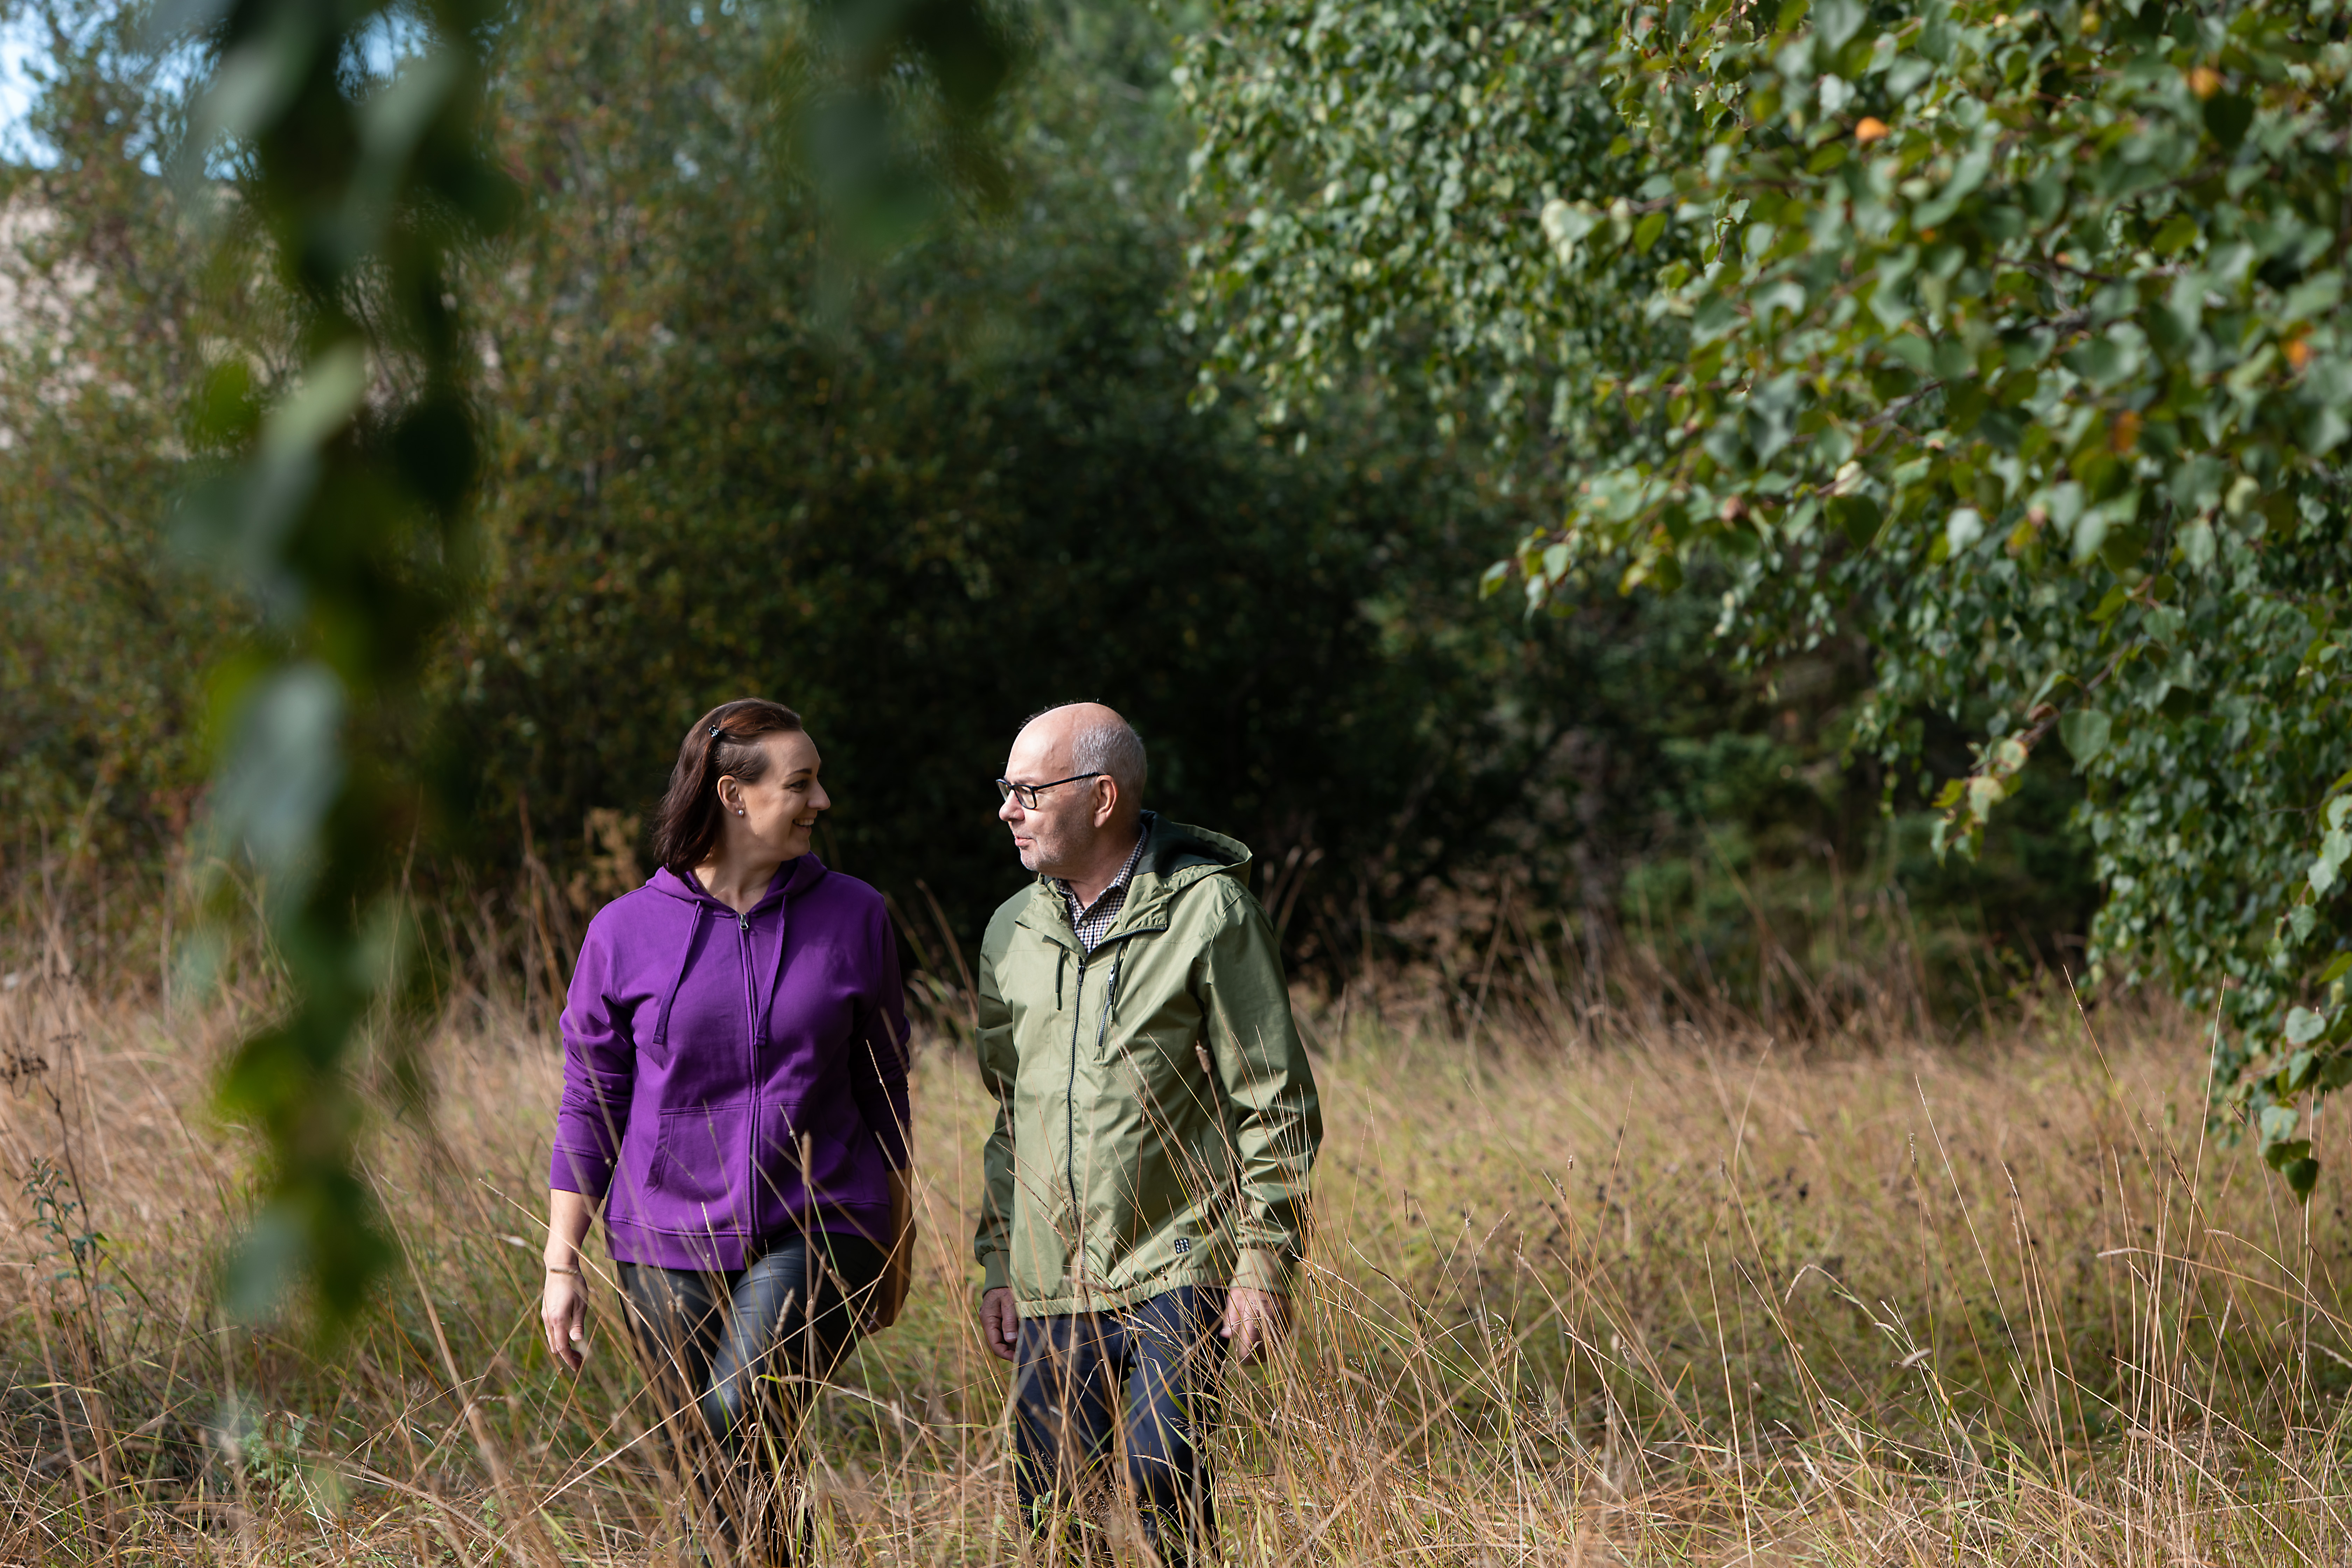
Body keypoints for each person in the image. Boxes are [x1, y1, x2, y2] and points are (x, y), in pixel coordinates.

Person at [540, 698, 914, 1566]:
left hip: (823, 1220)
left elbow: (886, 1087)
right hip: (661, 1239)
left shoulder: (857, 915)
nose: (822, 800)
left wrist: (900, 1234)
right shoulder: (622, 931)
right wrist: (563, 1258)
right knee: (725, 1467)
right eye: (803, 782)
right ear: (733, 795)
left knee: (736, 1410)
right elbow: (589, 1099)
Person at [974, 701, 1323, 1566]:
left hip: (1182, 1257)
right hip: (1052, 1276)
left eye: (1028, 790)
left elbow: (1273, 1097)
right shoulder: (1010, 930)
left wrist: (1264, 1263)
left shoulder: (1213, 913)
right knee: (1054, 1512)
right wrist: (998, 1259)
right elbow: (1009, 1112)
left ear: (1101, 796)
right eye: (1005, 789)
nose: (1008, 809)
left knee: (1165, 1475)